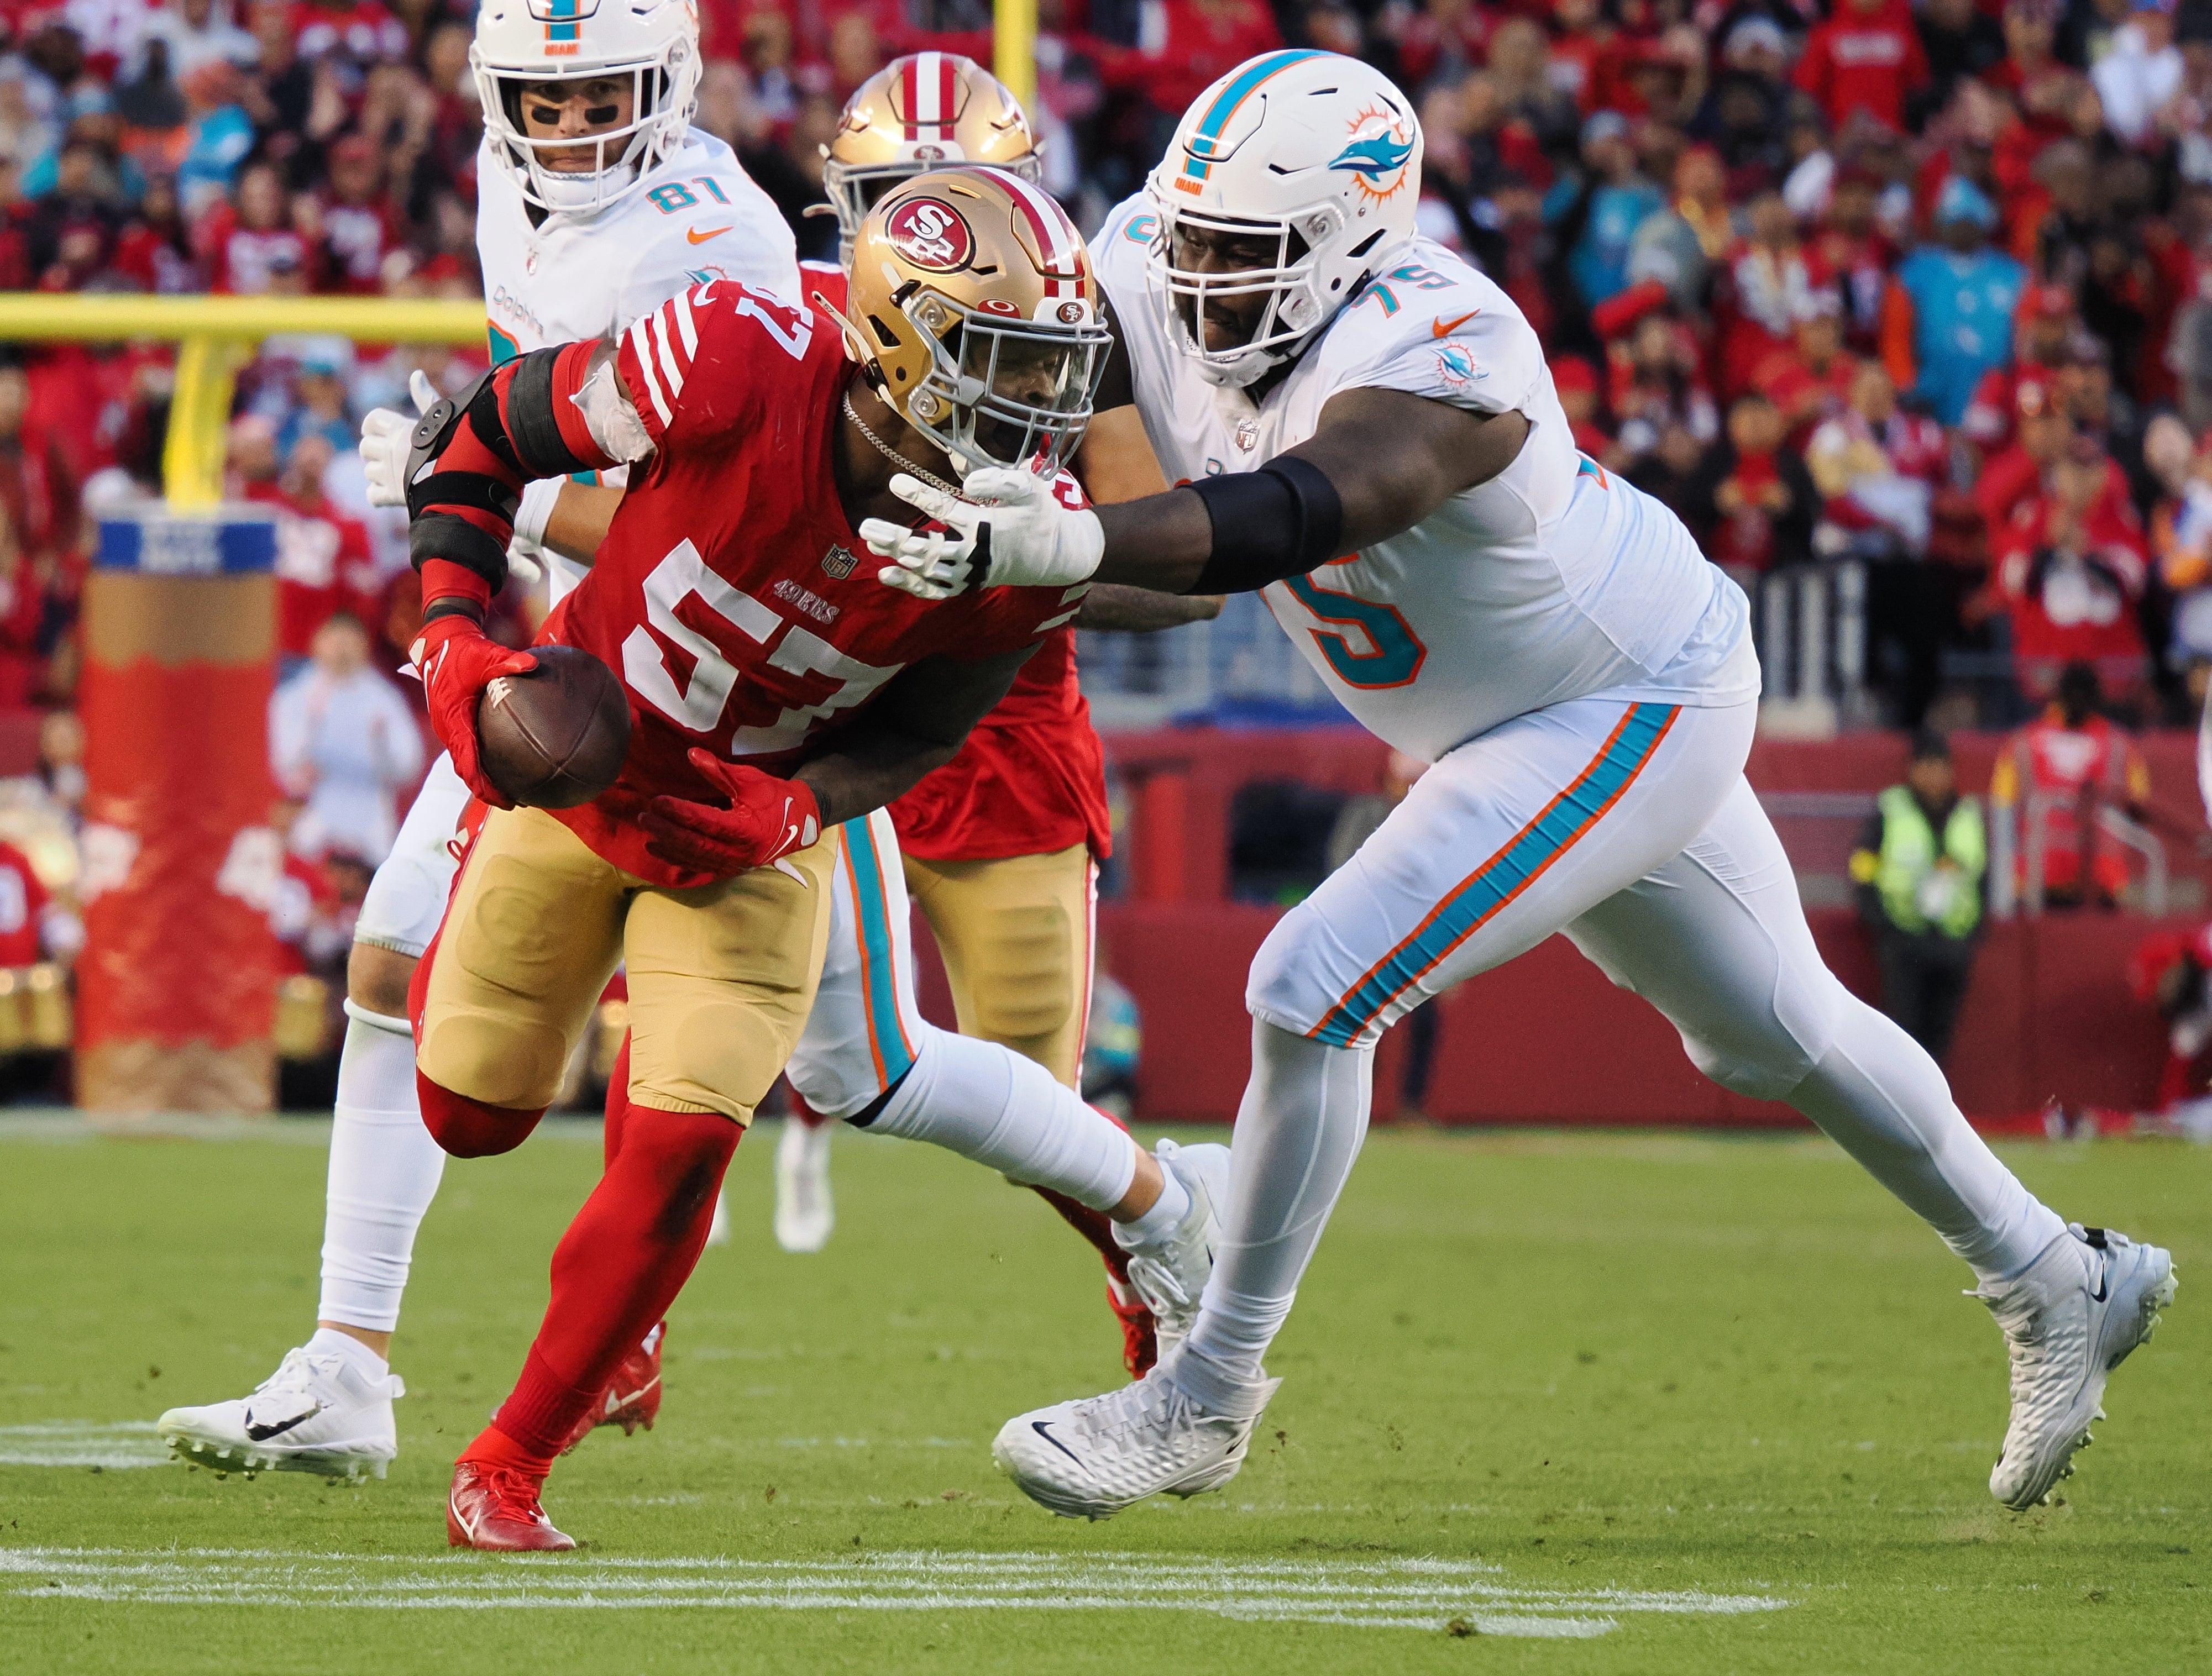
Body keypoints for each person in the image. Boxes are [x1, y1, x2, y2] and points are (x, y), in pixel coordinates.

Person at [866, 50, 2177, 1523]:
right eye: (1186, 246)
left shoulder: (1447, 344)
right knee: (1772, 1034)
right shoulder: (1147, 270)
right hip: (1514, 717)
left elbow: (1303, 508)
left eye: (1241, 261)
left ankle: (1208, 1393)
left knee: (1310, 982)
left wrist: (1072, 547)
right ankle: (2061, 1275)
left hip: (1619, 696)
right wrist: (983, 544)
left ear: (1348, 243)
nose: (1198, 289)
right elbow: (1147, 571)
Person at [389, 170, 1216, 1551]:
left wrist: (795, 812)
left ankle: (509, 1460)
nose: (1033, 404)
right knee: (468, 1114)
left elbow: (918, 732)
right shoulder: (730, 352)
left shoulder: (1009, 537)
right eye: (997, 359)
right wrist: (454, 638)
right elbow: (477, 439)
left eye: (1050, 367)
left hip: (742, 828)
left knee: (683, 1139)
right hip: (580, 762)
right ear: (893, 342)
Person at [156, 0, 799, 1488]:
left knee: (878, 1068)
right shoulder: (515, 189)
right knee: (389, 963)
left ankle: (1155, 1207)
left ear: (675, 85)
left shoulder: (709, 249)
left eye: (604, 101)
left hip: (677, 669)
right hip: (576, 650)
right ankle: (349, 1362)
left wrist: (478, 488)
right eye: (544, 100)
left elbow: (704, 536)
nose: (570, 132)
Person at [772, 55, 1220, 1313]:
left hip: (1000, 739)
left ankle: (1166, 1278)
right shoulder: (784, 323)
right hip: (820, 724)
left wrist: (1032, 561)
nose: (927, 228)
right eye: (894, 194)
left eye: (949, 187)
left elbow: (1182, 571)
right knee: (718, 1044)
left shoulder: (1065, 328)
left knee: (1037, 1114)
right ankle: (621, 1334)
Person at [1851, 731, 1986, 1064]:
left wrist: (1976, 932)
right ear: (1912, 770)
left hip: (1953, 939)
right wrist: (1876, 917)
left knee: (1941, 1035)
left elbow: (1982, 876)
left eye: (1940, 767)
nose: (1933, 776)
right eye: (1926, 767)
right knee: (1904, 1032)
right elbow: (1864, 864)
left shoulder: (1968, 812)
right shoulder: (1892, 808)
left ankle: (1932, 1111)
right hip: (1903, 935)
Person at [266, 614, 423, 865]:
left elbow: (409, 764)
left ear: (363, 644)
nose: (340, 648)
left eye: (348, 640)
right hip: (317, 814)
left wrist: (379, 750)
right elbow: (285, 764)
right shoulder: (296, 696)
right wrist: (312, 726)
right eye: (333, 639)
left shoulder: (383, 698)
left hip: (372, 821)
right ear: (316, 643)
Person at [1991, 660, 2151, 908]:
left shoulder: (2021, 743)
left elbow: (2001, 807)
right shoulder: (2122, 746)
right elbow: (2142, 807)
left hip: (2082, 883)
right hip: (2055, 884)